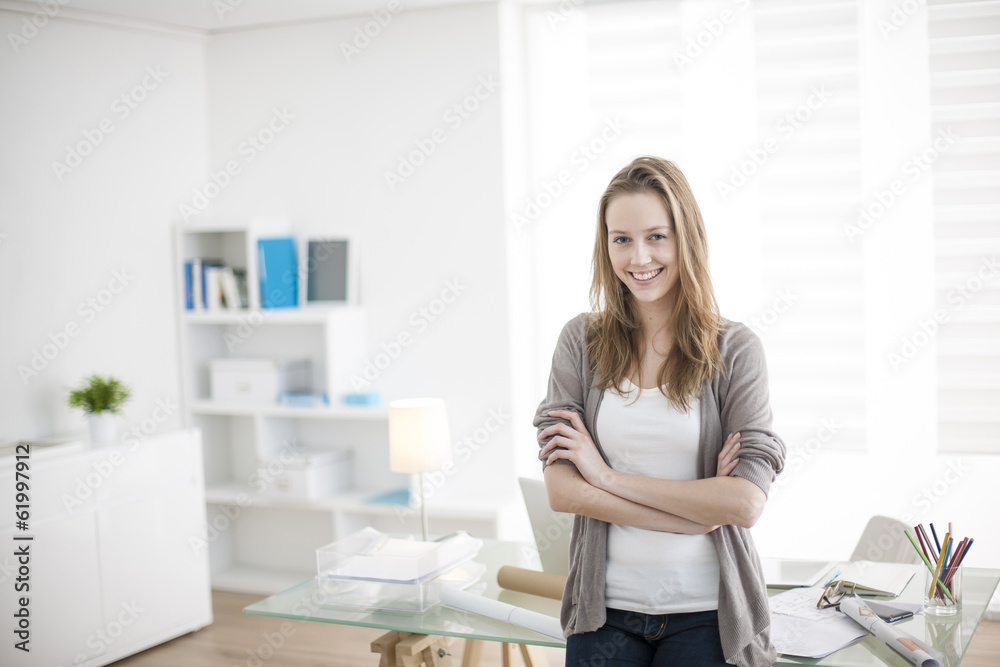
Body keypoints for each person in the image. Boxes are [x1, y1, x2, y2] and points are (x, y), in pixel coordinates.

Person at [533, 156, 785, 667]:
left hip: (706, 612)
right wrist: (693, 516)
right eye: (621, 238)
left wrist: (603, 476)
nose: (638, 256)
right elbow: (562, 491)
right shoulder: (580, 342)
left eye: (656, 236)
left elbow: (743, 505)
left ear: (685, 238)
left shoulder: (736, 350)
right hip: (605, 612)